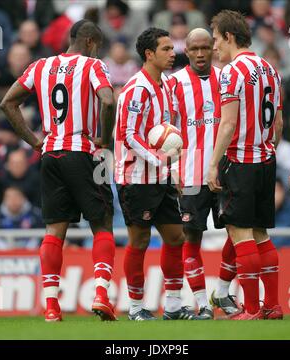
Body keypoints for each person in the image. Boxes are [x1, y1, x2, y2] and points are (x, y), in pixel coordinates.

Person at [0, 20, 116, 322]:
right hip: (85, 153)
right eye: (98, 46)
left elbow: (8, 102)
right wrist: (104, 138)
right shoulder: (93, 65)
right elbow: (108, 100)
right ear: (90, 41)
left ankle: (51, 306)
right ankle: (102, 294)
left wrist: (34, 141)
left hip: (51, 153)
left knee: (54, 229)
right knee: (102, 222)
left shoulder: (40, 66)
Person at [115, 27, 199, 321]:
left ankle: (174, 306)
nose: (172, 52)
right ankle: (136, 307)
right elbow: (129, 135)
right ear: (149, 54)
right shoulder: (137, 89)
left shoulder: (165, 86)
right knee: (139, 241)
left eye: (171, 48)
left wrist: (171, 167)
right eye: (165, 48)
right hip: (136, 178)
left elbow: (167, 134)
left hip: (160, 176)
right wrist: (163, 161)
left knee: (176, 237)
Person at [207, 10, 283, 320]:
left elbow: (227, 123)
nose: (214, 47)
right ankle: (273, 305)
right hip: (266, 160)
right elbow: (277, 121)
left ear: (228, 36)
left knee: (242, 236)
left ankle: (250, 309)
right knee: (261, 235)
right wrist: (266, 148)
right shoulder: (269, 68)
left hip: (240, 162)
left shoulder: (231, 71)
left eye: (215, 40)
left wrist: (213, 165)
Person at [169, 28, 239, 319]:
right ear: (186, 50)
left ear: (213, 48)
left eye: (205, 48)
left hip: (226, 173)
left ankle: (221, 290)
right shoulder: (173, 83)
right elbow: (166, 130)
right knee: (192, 238)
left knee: (238, 234)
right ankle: (203, 303)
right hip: (191, 175)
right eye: (194, 49)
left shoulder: (227, 78)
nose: (200, 54)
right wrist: (172, 167)